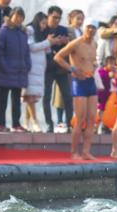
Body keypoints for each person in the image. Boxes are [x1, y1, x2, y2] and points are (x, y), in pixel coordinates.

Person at [54, 19, 98, 160]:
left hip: (91, 81)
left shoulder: (94, 44)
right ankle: (74, 152)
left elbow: (90, 61)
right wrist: (72, 69)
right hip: (79, 82)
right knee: (80, 119)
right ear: (85, 28)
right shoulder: (76, 43)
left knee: (92, 119)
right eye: (88, 27)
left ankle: (86, 151)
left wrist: (94, 65)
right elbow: (58, 57)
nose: (90, 30)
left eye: (93, 28)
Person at [0, 6, 28, 132]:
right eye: (16, 16)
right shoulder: (3, 31)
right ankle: (0, 123)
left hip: (19, 71)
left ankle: (16, 123)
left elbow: (26, 52)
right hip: (5, 71)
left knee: (16, 100)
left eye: (21, 17)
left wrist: (27, 65)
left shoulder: (22, 33)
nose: (19, 19)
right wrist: (5, 66)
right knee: (1, 99)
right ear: (11, 16)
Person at [22, 11, 57, 132]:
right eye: (42, 23)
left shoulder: (41, 33)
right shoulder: (30, 30)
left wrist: (50, 43)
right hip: (31, 67)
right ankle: (35, 122)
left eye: (45, 24)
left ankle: (26, 122)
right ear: (37, 21)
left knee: (31, 96)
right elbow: (31, 47)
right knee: (30, 96)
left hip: (39, 68)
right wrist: (47, 42)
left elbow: (44, 50)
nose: (44, 26)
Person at [42, 5, 70, 133]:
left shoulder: (63, 30)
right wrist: (51, 42)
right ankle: (49, 124)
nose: (57, 20)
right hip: (47, 68)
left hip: (61, 69)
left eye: (59, 18)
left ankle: (69, 124)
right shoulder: (42, 27)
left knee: (67, 96)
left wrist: (66, 42)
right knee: (46, 96)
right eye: (54, 17)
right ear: (48, 16)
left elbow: (68, 47)